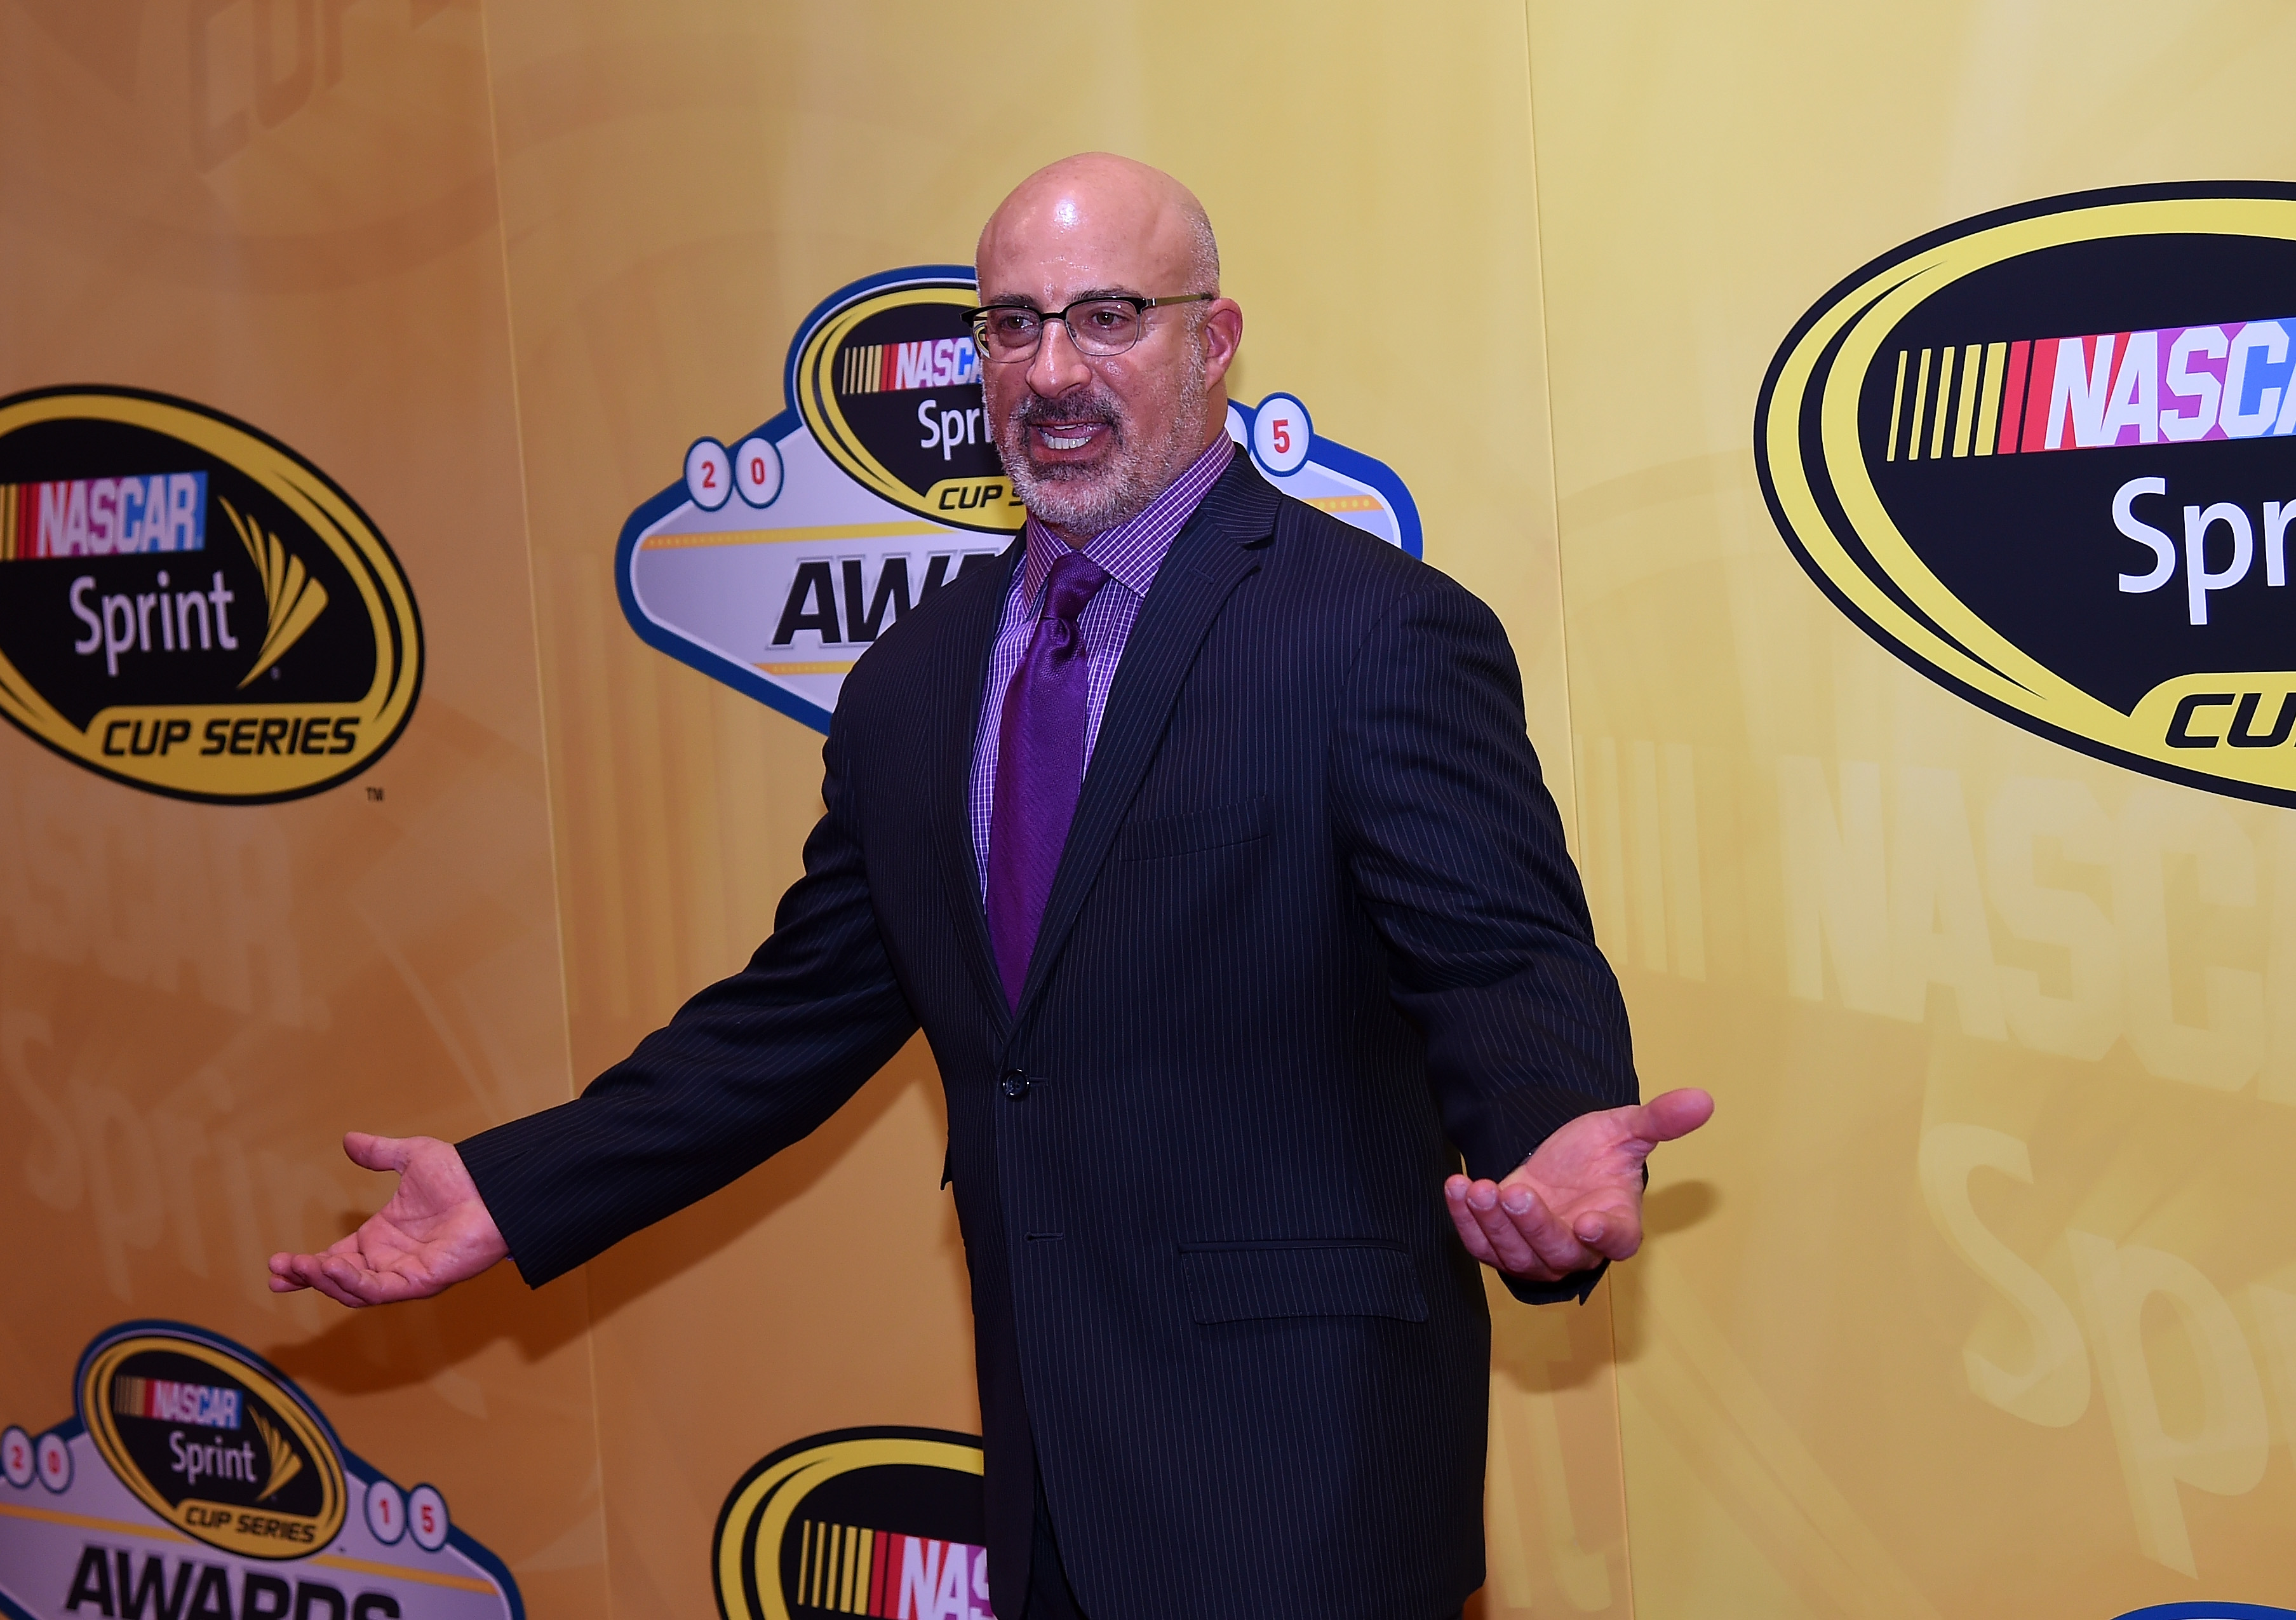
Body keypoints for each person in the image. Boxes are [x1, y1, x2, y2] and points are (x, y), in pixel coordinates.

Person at [271, 152, 1712, 1620]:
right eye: (1012, 325)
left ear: (1213, 341)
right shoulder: (915, 679)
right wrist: (514, 1190)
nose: (1052, 369)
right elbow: (792, 1018)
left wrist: (1550, 1130)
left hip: (1303, 1476)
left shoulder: (1369, 632)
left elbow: (1496, 957)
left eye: (1107, 317)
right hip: (1044, 1483)